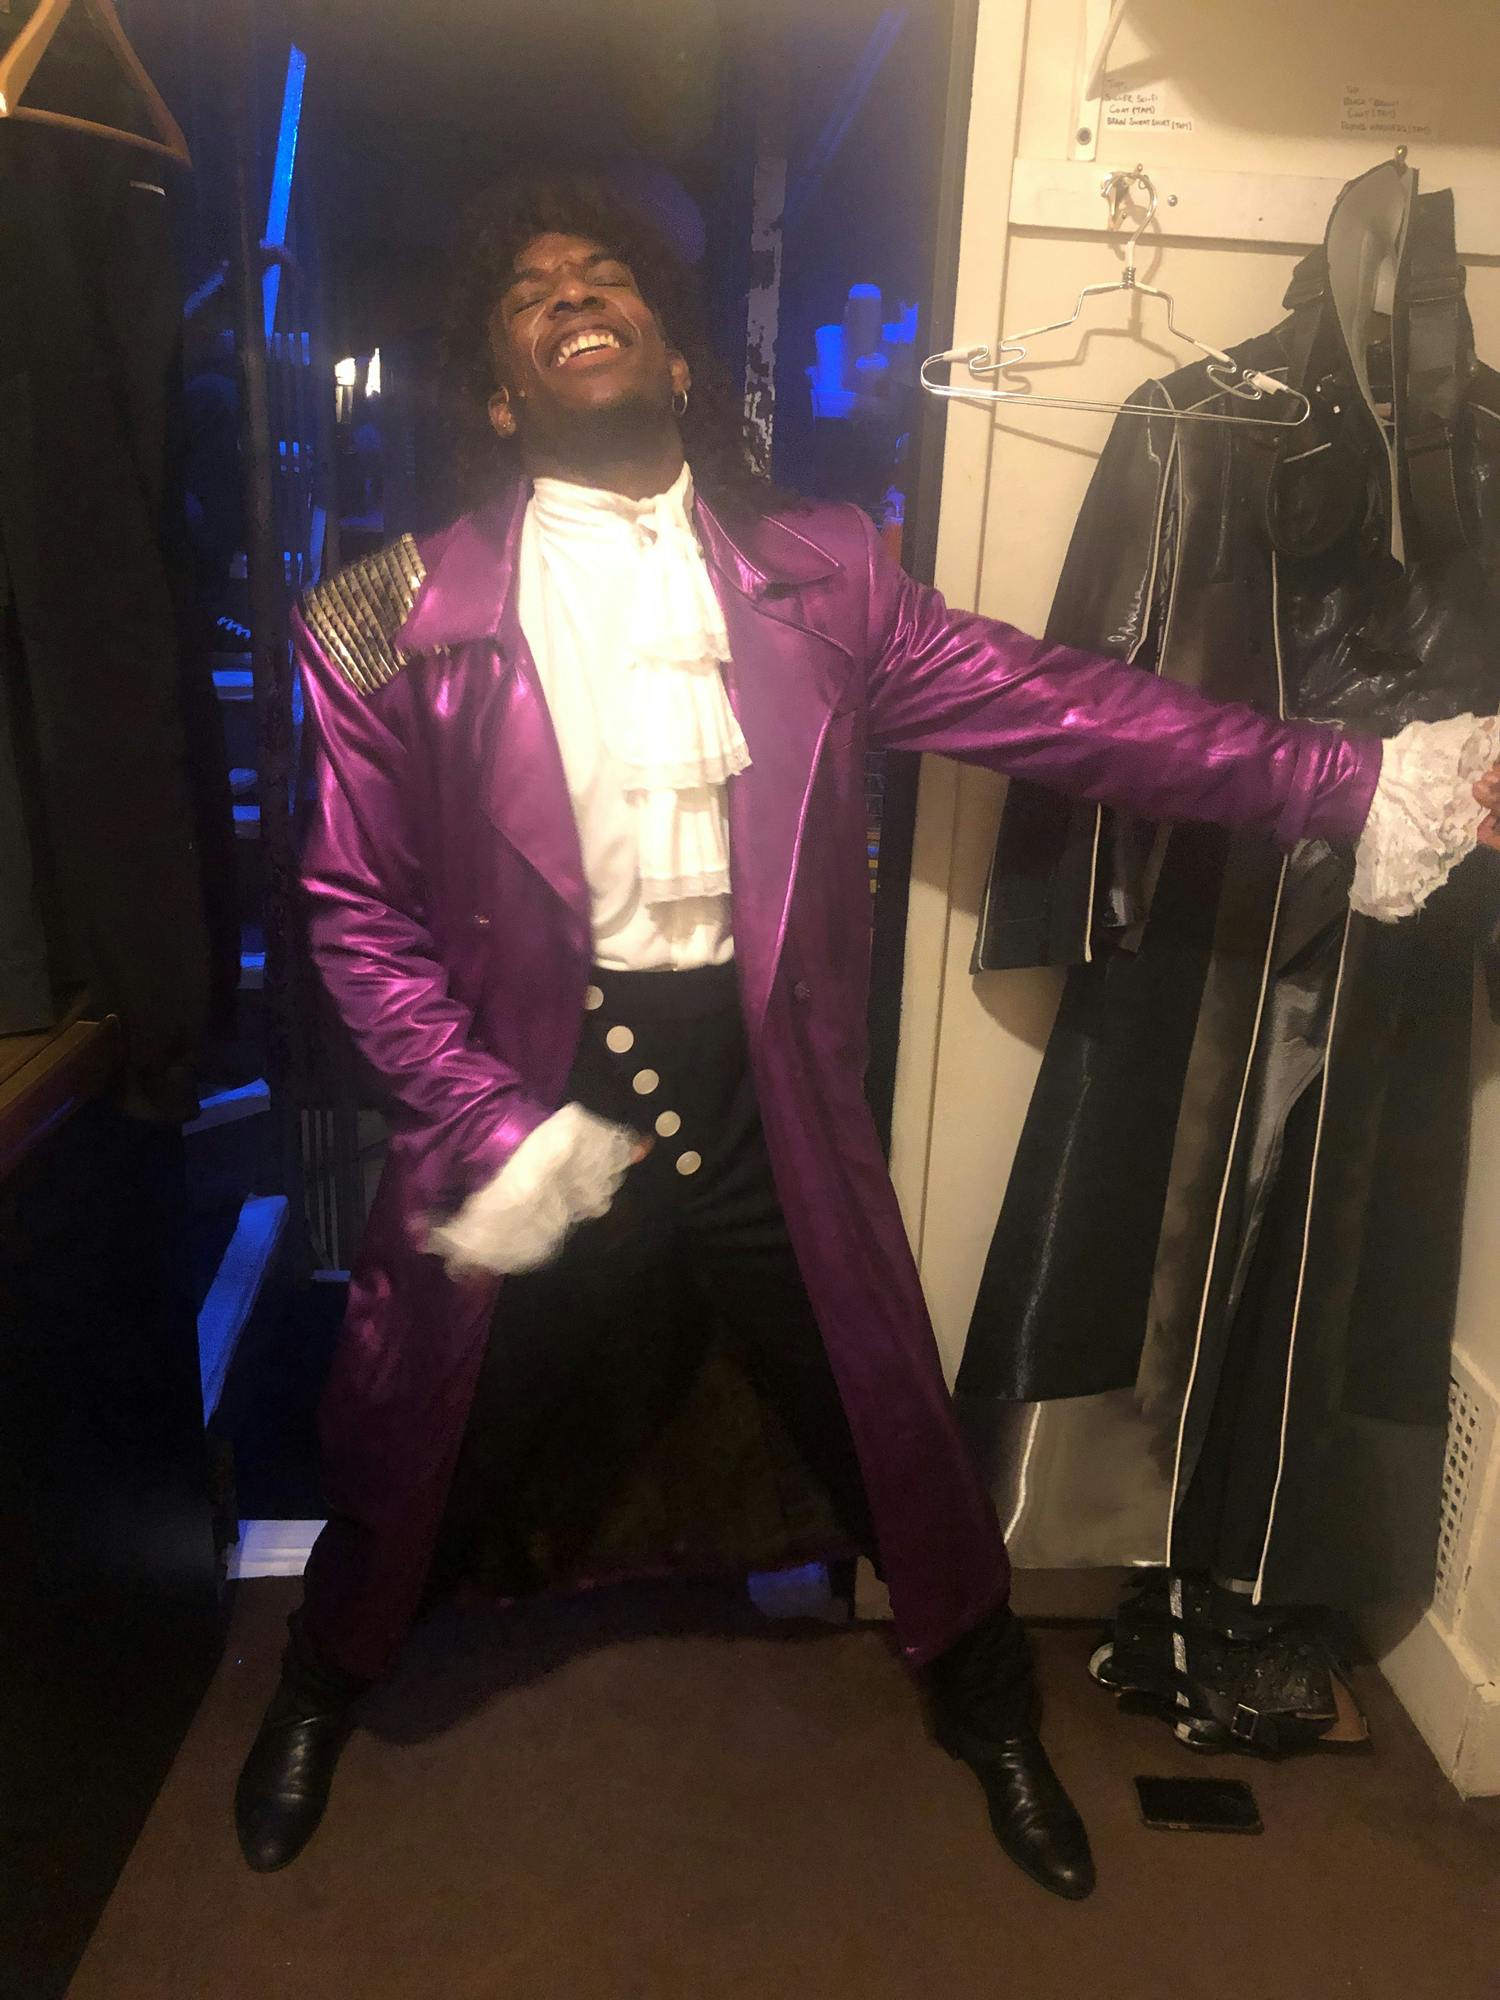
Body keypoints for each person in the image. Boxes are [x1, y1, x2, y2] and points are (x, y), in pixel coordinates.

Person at [234, 172, 1500, 1898]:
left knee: (881, 1414)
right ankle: (322, 1678)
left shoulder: (825, 579)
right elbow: (354, 917)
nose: (574, 291)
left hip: (760, 1094)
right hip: (530, 1100)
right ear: (504, 394)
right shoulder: (393, 620)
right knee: (423, 1426)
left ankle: (986, 1701)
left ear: (679, 357)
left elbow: (1075, 709)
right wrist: (481, 1119)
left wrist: (1350, 780)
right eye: (530, 292)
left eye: (605, 273)